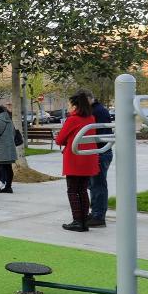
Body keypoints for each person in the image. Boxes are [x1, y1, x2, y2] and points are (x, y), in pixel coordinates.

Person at [55, 89, 100, 232]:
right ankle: (84, 221)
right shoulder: (90, 118)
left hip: (75, 158)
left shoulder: (73, 119)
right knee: (82, 190)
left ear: (75, 104)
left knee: (73, 190)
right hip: (88, 158)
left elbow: (59, 140)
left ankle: (77, 221)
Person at [88, 96, 114, 227]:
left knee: (97, 185)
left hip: (100, 151)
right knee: (95, 184)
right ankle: (96, 213)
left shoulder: (95, 111)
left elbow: (95, 132)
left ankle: (98, 216)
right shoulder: (99, 109)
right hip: (102, 151)